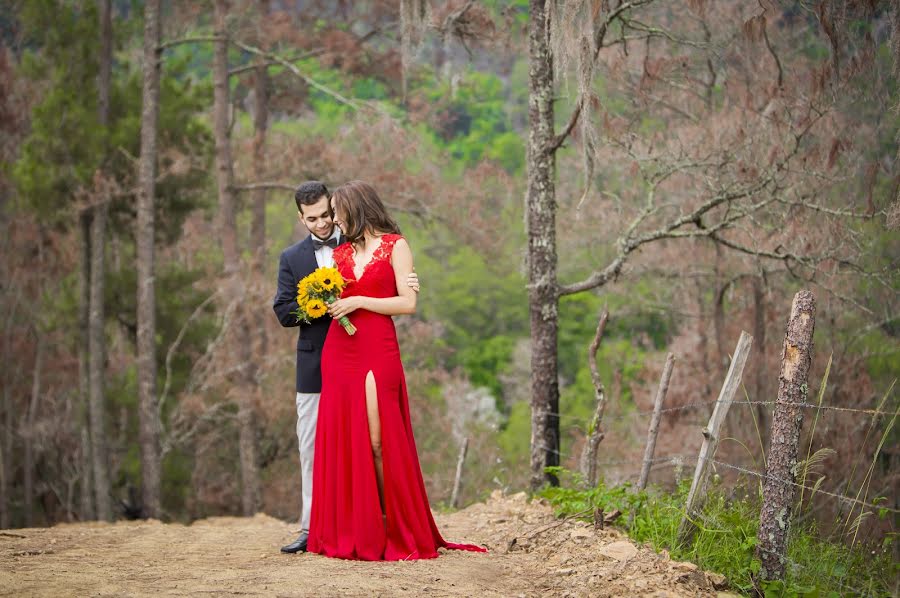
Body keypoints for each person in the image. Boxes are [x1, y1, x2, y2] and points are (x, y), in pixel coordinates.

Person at [308, 180, 486, 560]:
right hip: (340, 352)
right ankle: (359, 526)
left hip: (378, 348)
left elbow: (408, 304)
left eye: (338, 211)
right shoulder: (338, 254)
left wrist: (359, 299)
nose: (335, 219)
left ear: (356, 208)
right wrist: (324, 302)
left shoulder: (396, 245)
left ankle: (393, 522)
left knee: (377, 440)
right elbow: (333, 299)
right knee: (346, 440)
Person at [272, 181, 419, 554]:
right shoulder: (301, 256)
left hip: (369, 349)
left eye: (330, 213)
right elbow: (284, 309)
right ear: (301, 218)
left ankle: (385, 519)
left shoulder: (375, 245)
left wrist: (404, 286)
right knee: (321, 447)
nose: (326, 222)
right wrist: (316, 304)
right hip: (324, 358)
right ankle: (316, 527)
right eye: (315, 218)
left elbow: (399, 297)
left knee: (374, 441)